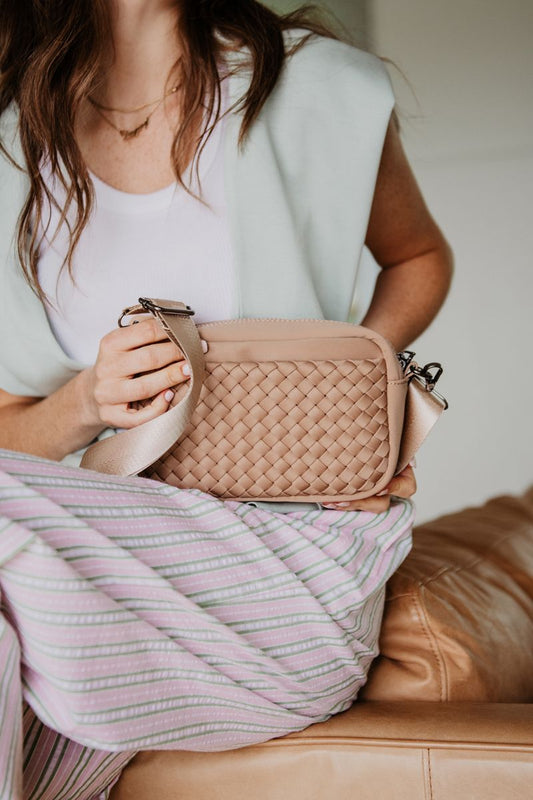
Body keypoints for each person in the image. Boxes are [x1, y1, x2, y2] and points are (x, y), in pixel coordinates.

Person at [0, 1, 453, 798]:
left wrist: (353, 409)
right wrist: (85, 401)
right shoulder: (13, 127)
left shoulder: (317, 83)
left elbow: (417, 257)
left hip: (293, 559)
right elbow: (15, 439)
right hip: (88, 566)